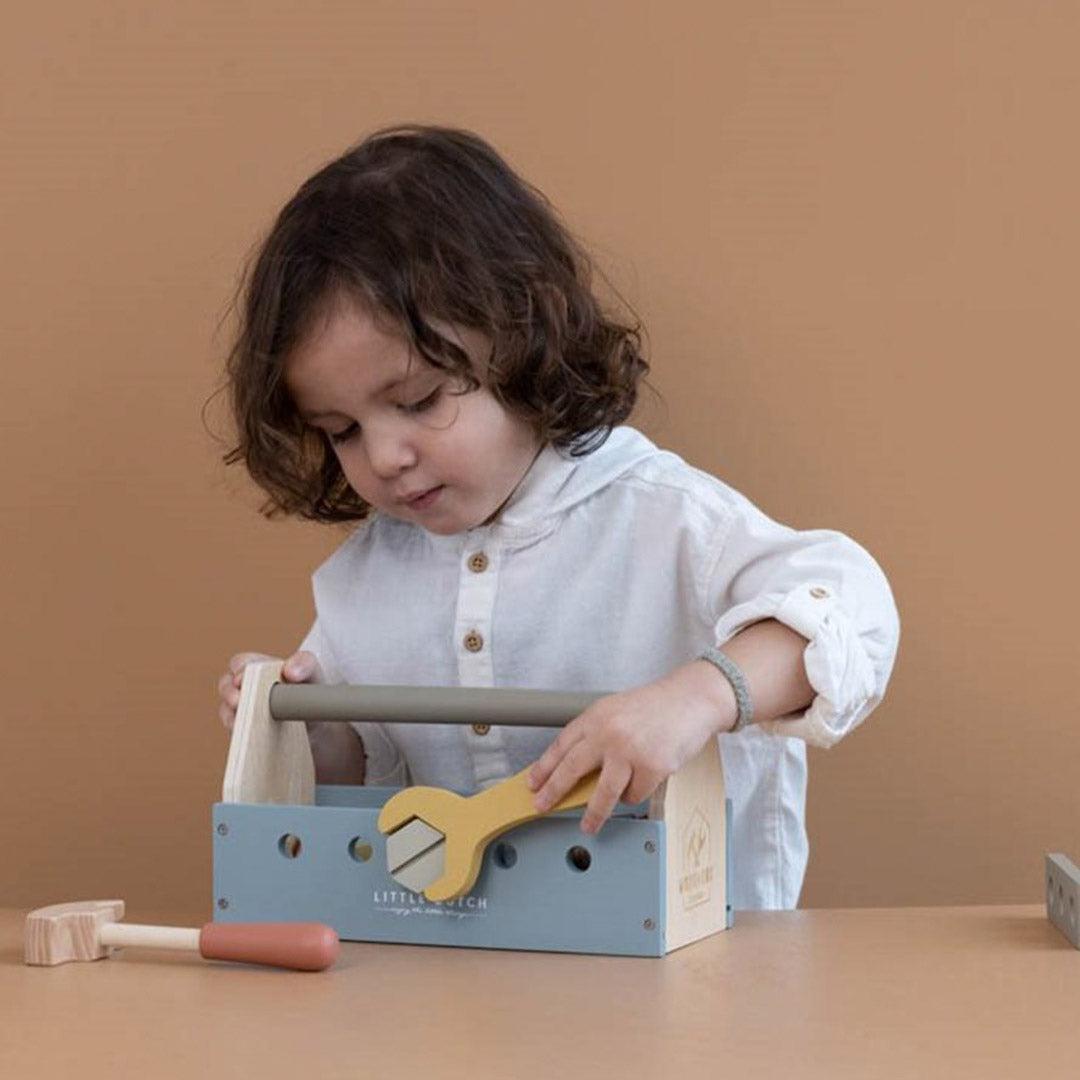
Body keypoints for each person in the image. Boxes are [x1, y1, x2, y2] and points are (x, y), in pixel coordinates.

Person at [215, 123, 900, 910]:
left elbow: (850, 607)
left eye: (417, 401)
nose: (385, 456)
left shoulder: (665, 522)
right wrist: (287, 718)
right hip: (465, 982)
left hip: (697, 970)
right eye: (343, 432)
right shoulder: (363, 582)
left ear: (518, 336)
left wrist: (695, 698)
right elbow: (351, 778)